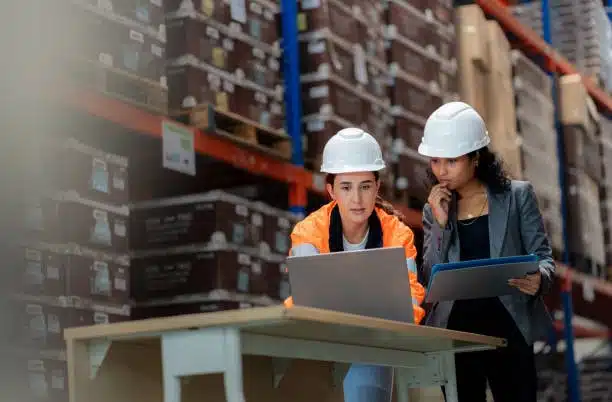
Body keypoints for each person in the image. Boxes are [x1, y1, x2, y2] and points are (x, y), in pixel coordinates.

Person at [418, 101, 555, 402]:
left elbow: (544, 259)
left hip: (508, 329)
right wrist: (441, 225)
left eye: (451, 161)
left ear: (475, 157)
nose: (441, 171)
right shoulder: (435, 210)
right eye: (435, 161)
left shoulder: (517, 197)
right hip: (457, 335)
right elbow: (430, 275)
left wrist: (539, 279)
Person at [283, 127, 426, 402]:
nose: (357, 199)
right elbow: (305, 300)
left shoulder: (398, 235)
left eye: (365, 187)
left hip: (374, 343)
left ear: (377, 188)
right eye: (346, 188)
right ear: (331, 191)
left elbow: (409, 301)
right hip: (320, 341)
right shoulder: (309, 232)